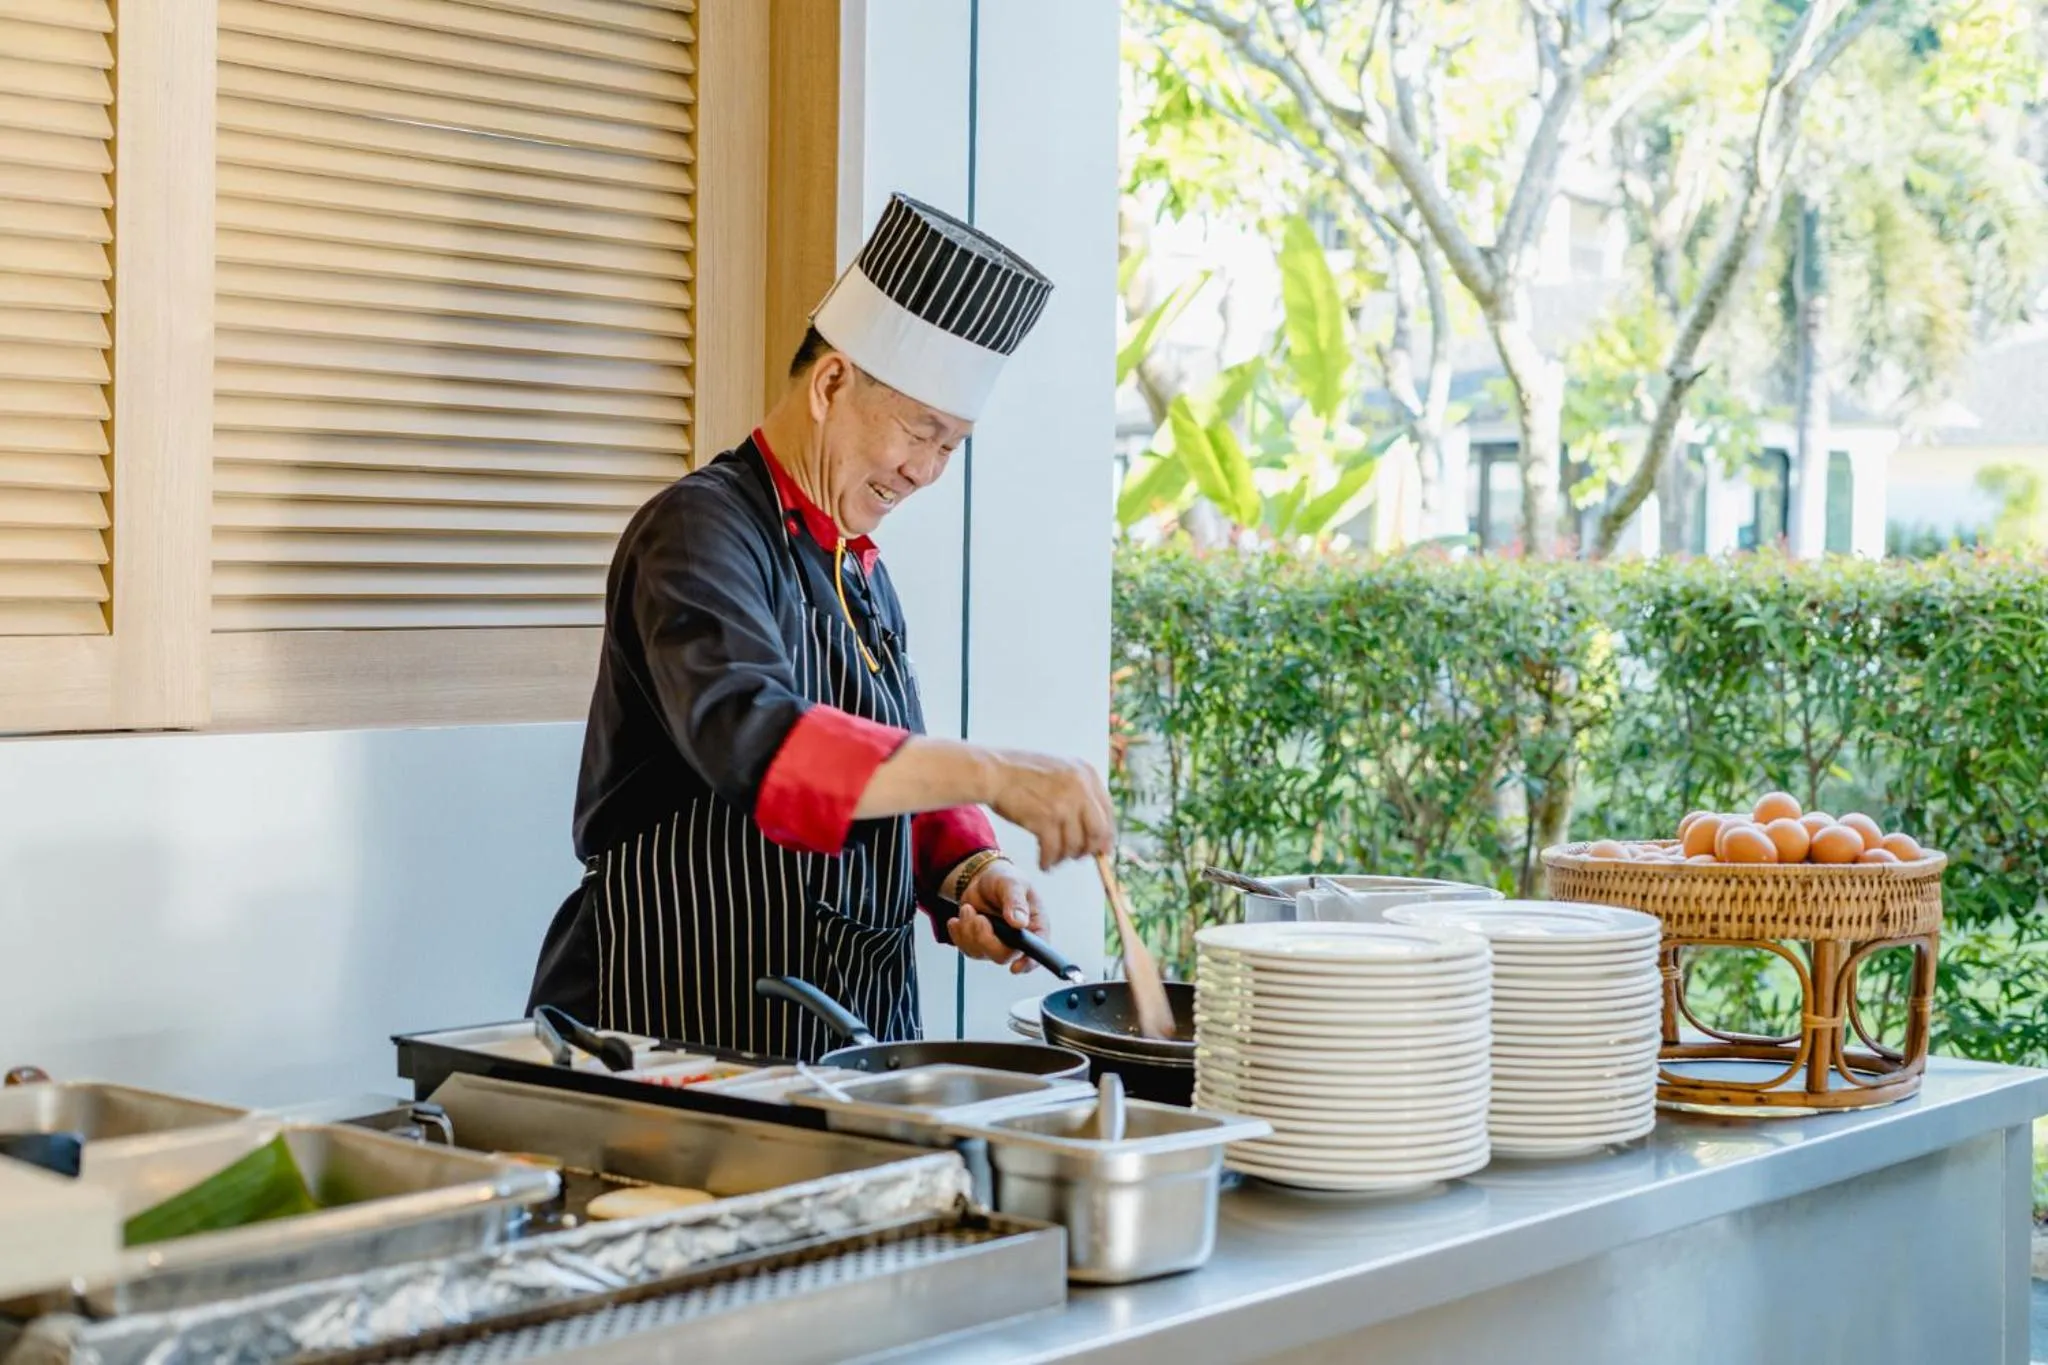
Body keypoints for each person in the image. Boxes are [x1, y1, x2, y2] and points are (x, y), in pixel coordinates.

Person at [526, 194, 1115, 1061]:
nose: (925, 471)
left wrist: (969, 872)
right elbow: (756, 739)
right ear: (833, 382)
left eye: (952, 445)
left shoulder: (859, 566)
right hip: (678, 1023)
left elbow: (888, 759)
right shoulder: (698, 531)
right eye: (921, 431)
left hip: (846, 1033)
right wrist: (996, 770)